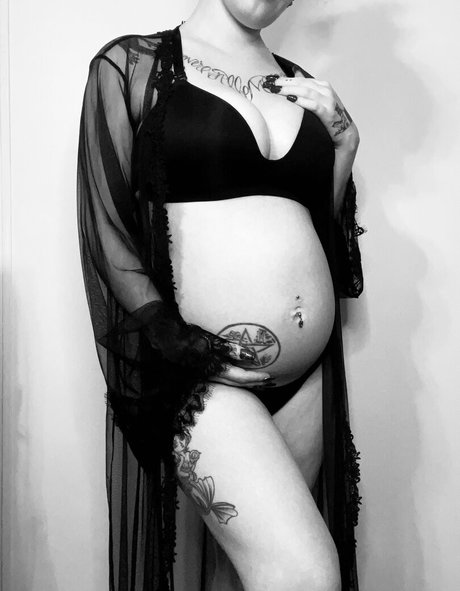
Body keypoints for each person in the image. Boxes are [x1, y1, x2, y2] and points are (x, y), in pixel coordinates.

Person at [76, 0, 365, 589]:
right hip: (203, 373)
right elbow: (107, 227)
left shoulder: (300, 85)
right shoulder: (133, 64)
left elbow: (317, 232)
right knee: (307, 575)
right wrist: (177, 344)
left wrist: (343, 147)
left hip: (304, 383)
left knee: (246, 578)